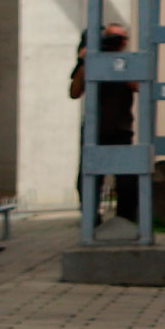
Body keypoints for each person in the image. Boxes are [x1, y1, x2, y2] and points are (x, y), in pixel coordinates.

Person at [69, 25, 142, 225]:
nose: (116, 42)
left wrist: (117, 65)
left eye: (120, 38)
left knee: (127, 180)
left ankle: (126, 220)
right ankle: (91, 220)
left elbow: (137, 85)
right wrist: (84, 62)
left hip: (121, 129)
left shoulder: (126, 62)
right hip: (95, 129)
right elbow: (74, 92)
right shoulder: (91, 61)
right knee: (88, 179)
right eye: (111, 38)